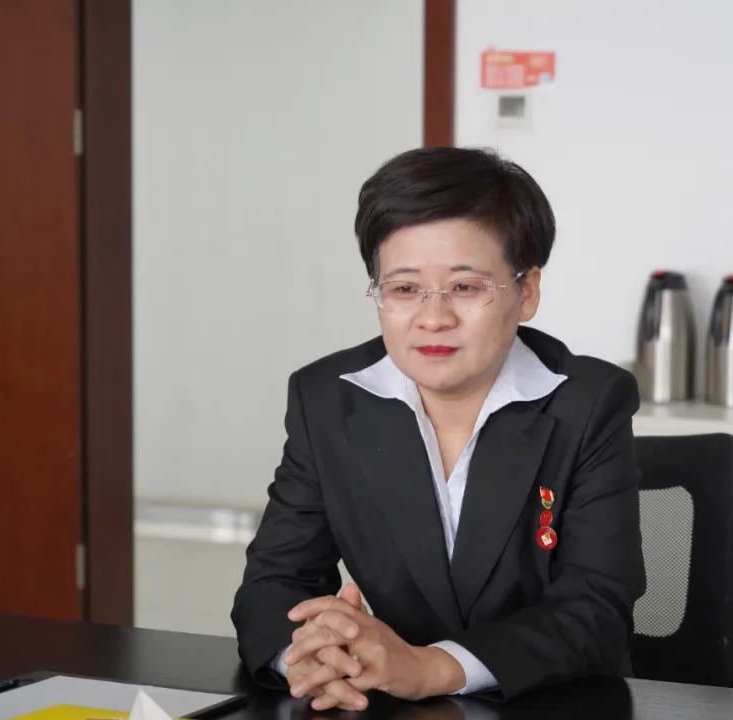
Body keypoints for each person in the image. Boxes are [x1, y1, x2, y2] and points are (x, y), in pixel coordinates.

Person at [231, 146, 646, 712]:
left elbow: (595, 609)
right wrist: (306, 655)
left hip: (555, 704)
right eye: (404, 289)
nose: (433, 318)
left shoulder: (589, 402)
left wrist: (431, 667)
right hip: (385, 703)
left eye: (466, 287)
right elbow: (275, 580)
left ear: (526, 291)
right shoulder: (327, 399)